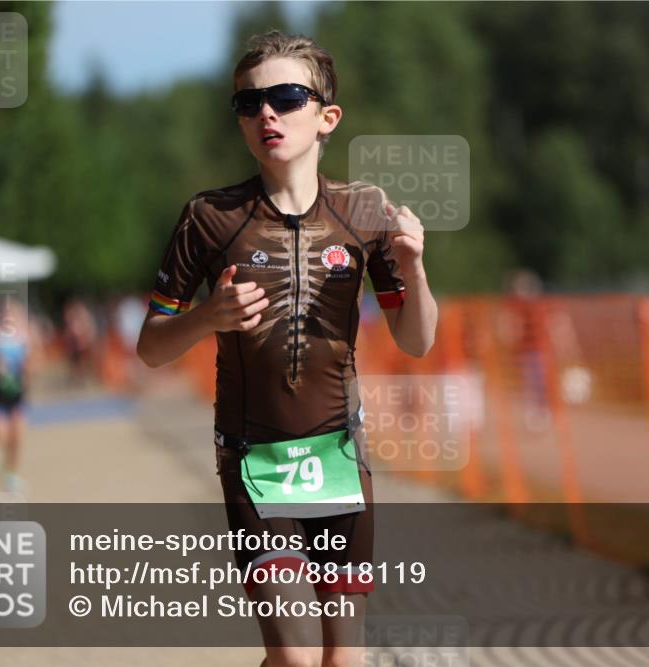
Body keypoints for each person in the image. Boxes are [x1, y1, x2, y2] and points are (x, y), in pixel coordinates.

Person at [136, 30, 438, 667]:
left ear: (327, 117)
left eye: (285, 96)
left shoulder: (365, 211)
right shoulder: (210, 217)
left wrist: (415, 268)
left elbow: (417, 340)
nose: (265, 112)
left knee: (342, 658)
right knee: (297, 656)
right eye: (248, 103)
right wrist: (207, 318)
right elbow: (149, 347)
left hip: (337, 453)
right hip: (255, 460)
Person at [0, 297, 33, 494]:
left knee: (17, 435)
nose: (9, 315)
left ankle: (10, 473)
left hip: (17, 392)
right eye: (6, 311)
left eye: (13, 311)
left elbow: (31, 362)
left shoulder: (24, 335)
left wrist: (27, 371)